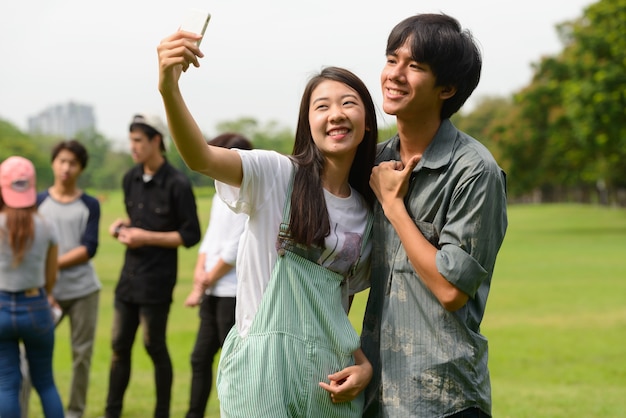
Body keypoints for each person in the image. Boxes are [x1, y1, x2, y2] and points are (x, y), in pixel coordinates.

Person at [157, 28, 378, 417]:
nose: (336, 114)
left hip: (328, 381)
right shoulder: (275, 175)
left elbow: (336, 310)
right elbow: (200, 157)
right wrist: (169, 89)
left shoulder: (365, 213)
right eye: (321, 106)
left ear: (367, 120)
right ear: (306, 122)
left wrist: (362, 364)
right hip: (261, 375)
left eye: (349, 103)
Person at [360, 13, 508, 418]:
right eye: (392, 60)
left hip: (444, 399)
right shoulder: (375, 161)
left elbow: (450, 290)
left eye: (415, 66)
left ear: (448, 88)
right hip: (376, 393)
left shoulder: (474, 170)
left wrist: (393, 207)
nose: (395, 75)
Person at [103, 113, 202, 418]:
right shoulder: (130, 178)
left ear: (156, 141)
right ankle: (111, 412)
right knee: (119, 348)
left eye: (137, 140)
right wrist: (124, 225)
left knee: (154, 346)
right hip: (127, 279)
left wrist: (145, 237)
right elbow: (140, 221)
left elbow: (190, 234)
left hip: (156, 282)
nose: (132, 147)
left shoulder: (177, 183)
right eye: (130, 140)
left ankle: (161, 413)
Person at [183, 133, 253, 418]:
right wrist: (200, 273)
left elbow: (236, 247)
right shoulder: (218, 193)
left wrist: (207, 277)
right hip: (212, 291)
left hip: (233, 293)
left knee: (234, 363)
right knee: (199, 358)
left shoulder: (248, 194)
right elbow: (211, 238)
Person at [34, 139, 101, 418]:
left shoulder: (89, 204)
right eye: (61, 161)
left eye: (72, 163)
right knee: (31, 356)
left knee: (81, 356)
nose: (66, 168)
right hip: (45, 292)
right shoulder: (37, 202)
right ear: (53, 163)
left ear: (80, 168)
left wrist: (53, 264)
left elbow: (89, 248)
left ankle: (75, 412)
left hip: (84, 291)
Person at [0, 156, 64, 418]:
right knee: (45, 383)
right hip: (36, 306)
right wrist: (46, 295)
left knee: (6, 384)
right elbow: (51, 276)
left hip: (2, 308)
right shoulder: (46, 226)